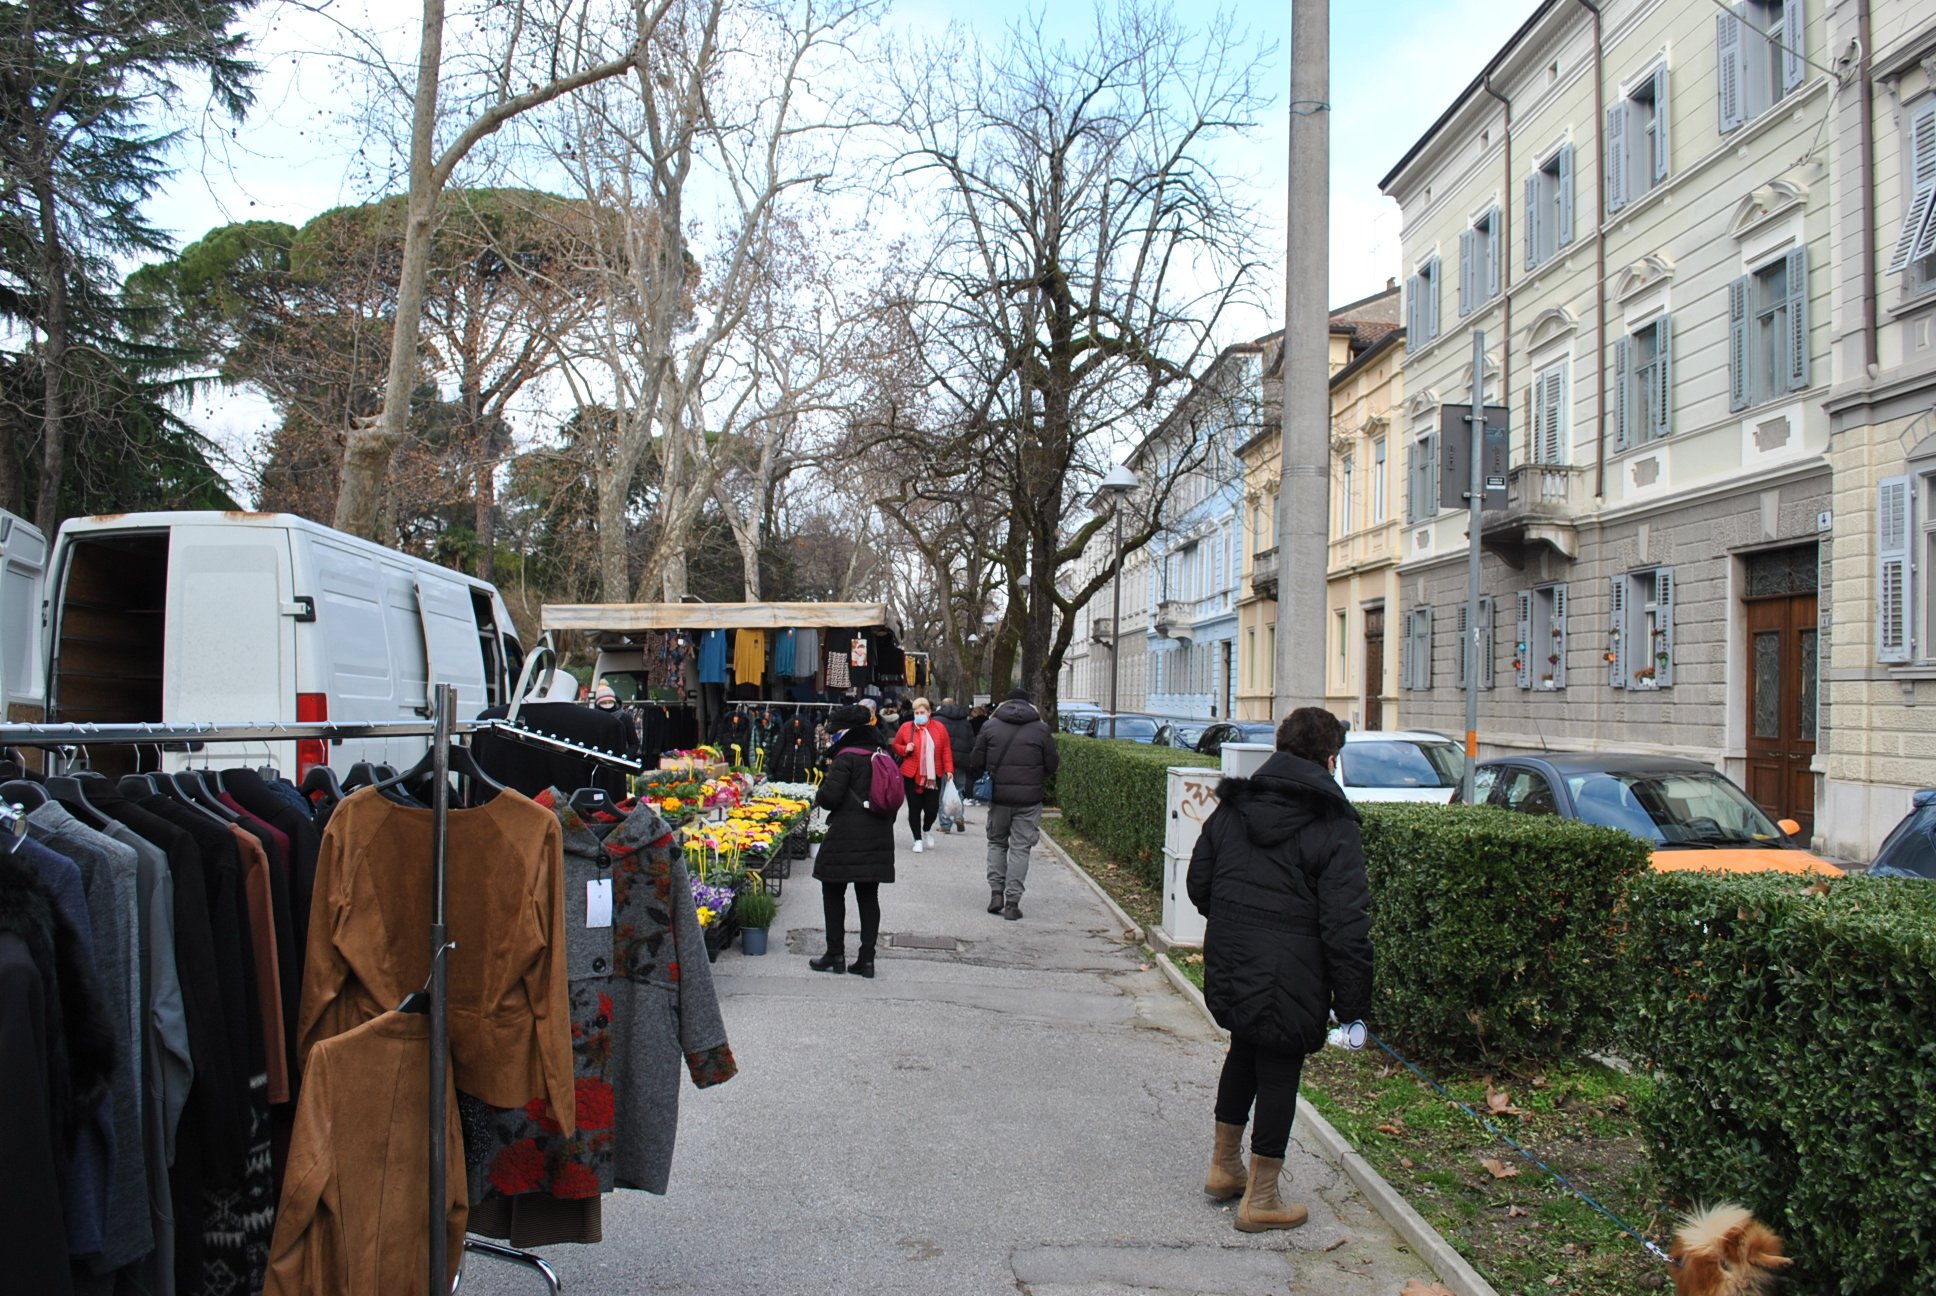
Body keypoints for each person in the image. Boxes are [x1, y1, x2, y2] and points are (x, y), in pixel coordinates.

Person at [1186, 707, 1371, 1234]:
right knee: (1280, 1066)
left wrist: (1236, 923)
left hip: (1232, 954)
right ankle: (1262, 1198)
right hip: (1295, 968)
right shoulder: (1334, 824)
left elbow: (1200, 883)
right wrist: (1354, 1008)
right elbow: (1346, 924)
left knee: (1245, 1046)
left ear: (1280, 745)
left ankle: (1224, 1170)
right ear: (1331, 759)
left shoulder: (1234, 806)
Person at [809, 704, 897, 978]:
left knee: (833, 891)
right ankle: (866, 960)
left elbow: (831, 797)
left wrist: (819, 793)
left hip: (845, 834)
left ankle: (835, 955)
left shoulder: (846, 757)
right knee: (869, 896)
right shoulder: (882, 752)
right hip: (878, 832)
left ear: (845, 732)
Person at [968, 687, 1059, 920]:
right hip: (1029, 799)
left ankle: (996, 893)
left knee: (997, 843)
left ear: (1005, 703)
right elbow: (1052, 764)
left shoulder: (990, 726)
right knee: (1020, 848)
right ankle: (1012, 903)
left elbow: (976, 760)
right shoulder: (1041, 729)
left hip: (999, 797)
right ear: (1030, 705)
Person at [890, 697, 954, 852]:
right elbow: (895, 745)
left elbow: (946, 749)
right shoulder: (906, 727)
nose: (919, 715)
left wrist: (949, 769)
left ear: (929, 712)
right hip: (911, 773)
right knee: (914, 808)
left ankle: (926, 829)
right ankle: (917, 839)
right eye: (916, 712)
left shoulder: (939, 728)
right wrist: (905, 749)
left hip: (934, 774)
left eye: (922, 712)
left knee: (932, 808)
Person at [935, 697, 976, 832]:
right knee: (958, 789)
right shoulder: (965, 722)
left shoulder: (938, 721)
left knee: (944, 792)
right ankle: (959, 815)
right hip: (961, 761)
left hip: (943, 761)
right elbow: (971, 742)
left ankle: (945, 824)